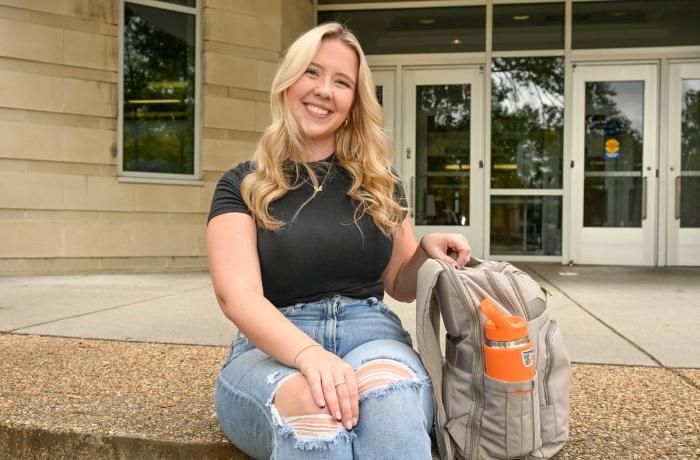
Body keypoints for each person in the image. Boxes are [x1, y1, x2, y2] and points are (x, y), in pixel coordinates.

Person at [206, 21, 471, 459]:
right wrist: (310, 355)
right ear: (288, 82)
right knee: (315, 413)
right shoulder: (243, 184)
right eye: (312, 72)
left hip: (372, 335)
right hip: (272, 348)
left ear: (353, 103)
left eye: (341, 82)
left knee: (392, 402)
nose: (324, 90)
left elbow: (400, 287)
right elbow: (237, 297)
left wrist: (425, 250)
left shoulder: (380, 183)